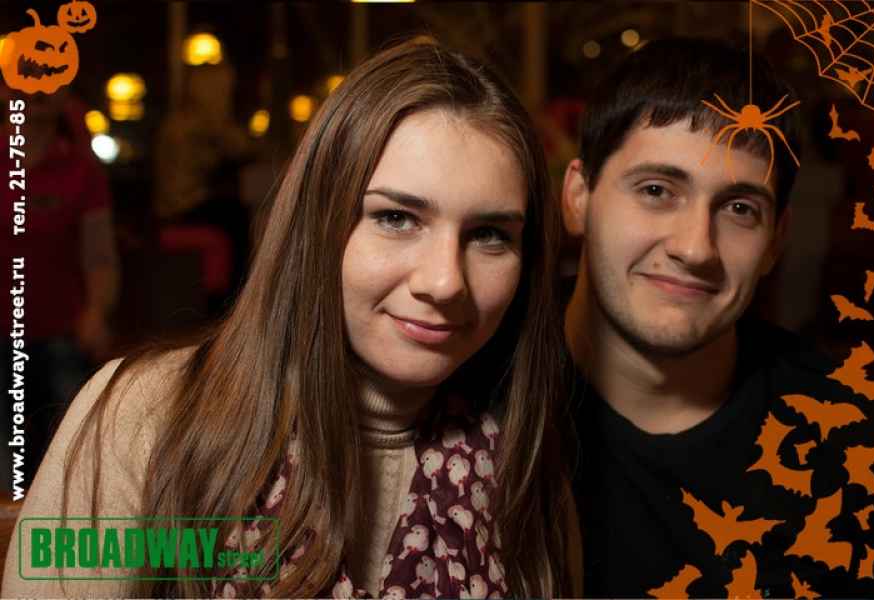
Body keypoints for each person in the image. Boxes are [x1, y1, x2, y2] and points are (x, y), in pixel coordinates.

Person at [2, 39, 580, 598]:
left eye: (489, 234)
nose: (445, 281)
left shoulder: (526, 464)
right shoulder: (148, 418)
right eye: (396, 218)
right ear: (316, 221)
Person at [564, 38, 874, 597]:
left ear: (776, 242)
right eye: (656, 190)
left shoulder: (856, 449)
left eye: (741, 208)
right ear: (578, 196)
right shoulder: (471, 407)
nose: (696, 248)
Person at [0, 84, 119, 492]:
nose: (34, 90)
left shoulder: (81, 170)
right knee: (5, 471)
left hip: (61, 335)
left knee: (70, 463)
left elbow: (99, 253)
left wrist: (97, 310)